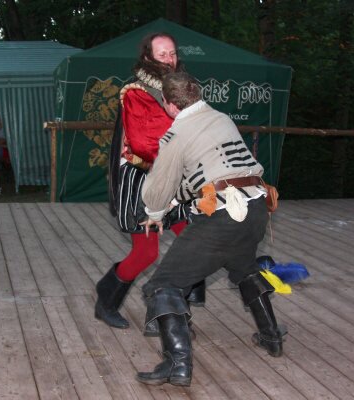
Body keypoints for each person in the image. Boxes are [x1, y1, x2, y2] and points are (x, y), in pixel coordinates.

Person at [135, 72, 284, 387]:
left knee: (163, 285)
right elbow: (210, 174)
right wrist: (176, 199)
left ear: (169, 104)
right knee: (244, 268)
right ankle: (271, 336)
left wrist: (155, 212)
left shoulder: (176, 133)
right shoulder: (221, 119)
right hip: (256, 209)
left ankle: (177, 364)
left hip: (224, 217)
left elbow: (158, 186)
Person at [96, 32, 206, 330]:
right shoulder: (137, 92)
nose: (169, 59)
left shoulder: (183, 88)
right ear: (147, 58)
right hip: (142, 179)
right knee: (146, 253)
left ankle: (172, 302)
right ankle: (106, 301)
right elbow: (145, 144)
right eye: (162, 54)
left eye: (172, 53)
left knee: (193, 238)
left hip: (174, 176)